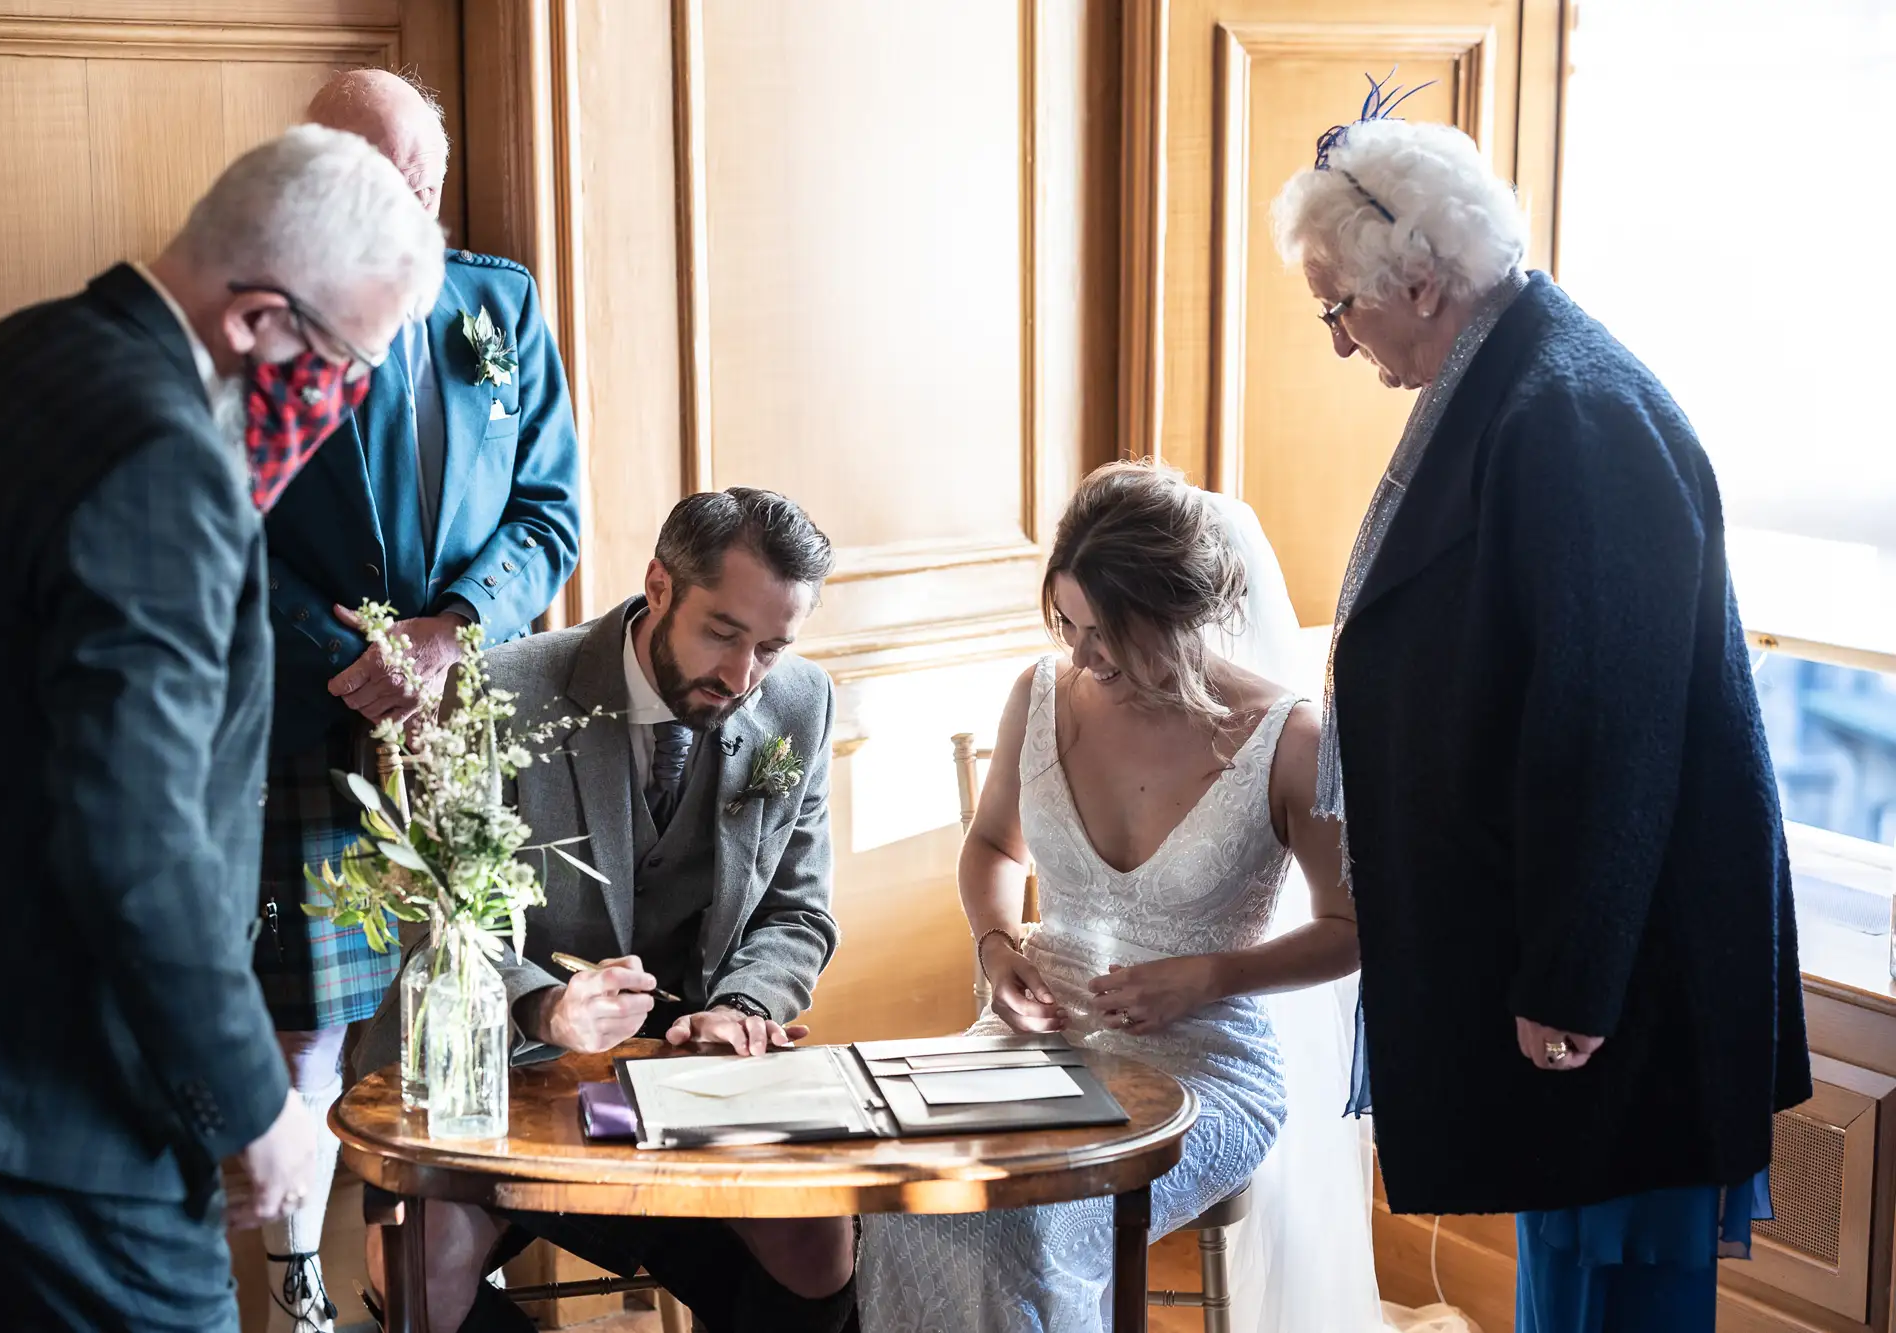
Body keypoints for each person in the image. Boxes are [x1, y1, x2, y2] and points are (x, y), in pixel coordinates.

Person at [1269, 82, 1810, 1332]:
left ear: (1418, 282)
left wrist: (1570, 977)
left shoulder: (1568, 410)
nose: (1341, 342)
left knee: (1613, 1287)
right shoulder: (1511, 382)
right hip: (1568, 954)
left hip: (1620, 971)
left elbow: (1608, 724)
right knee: (1569, 1274)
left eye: (1336, 308)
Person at [0, 126, 443, 1332]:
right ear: (256, 320)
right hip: (70, 1109)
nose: (348, 400)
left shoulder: (10, 361)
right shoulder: (164, 457)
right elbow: (134, 837)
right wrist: (251, 1106)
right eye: (349, 363)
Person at [856, 462, 1370, 1332]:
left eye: (1108, 631)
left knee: (1028, 1223)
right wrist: (997, 948)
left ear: (1181, 615)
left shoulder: (1291, 739)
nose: (1084, 655)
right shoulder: (1043, 691)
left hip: (1205, 1065)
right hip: (1031, 1045)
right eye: (1069, 623)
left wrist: (1208, 976)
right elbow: (990, 846)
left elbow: (1352, 930)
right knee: (903, 1188)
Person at [354, 487, 855, 1332]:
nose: (742, 677)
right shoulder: (499, 688)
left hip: (700, 1087)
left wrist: (741, 1008)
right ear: (659, 585)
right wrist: (545, 1004)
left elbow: (797, 913)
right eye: (723, 633)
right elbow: (440, 919)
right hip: (511, 1077)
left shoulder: (798, 703)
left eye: (770, 647)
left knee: (819, 1249)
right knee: (419, 1276)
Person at [255, 70, 582, 1330]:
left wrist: (449, 638)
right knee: (310, 1036)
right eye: (383, 181)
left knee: (482, 1010)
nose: (413, 204)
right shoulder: (252, 322)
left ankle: (453, 1300)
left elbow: (548, 511)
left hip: (467, 725)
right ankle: (296, 1296)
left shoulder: (497, 305)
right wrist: (353, 658)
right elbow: (219, 532)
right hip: (306, 718)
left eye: (425, 182)